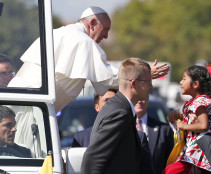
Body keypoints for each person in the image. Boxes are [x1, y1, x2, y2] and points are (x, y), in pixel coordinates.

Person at [7, 6, 170, 113]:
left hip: (19, 99)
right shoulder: (83, 40)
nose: (106, 36)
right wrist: (144, 74)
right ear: (92, 23)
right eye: (105, 29)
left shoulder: (58, 32)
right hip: (31, 108)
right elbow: (109, 77)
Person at [80, 57, 153, 174]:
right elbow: (92, 160)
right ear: (133, 83)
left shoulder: (120, 108)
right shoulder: (119, 113)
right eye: (148, 82)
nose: (151, 87)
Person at [164, 65, 211, 174]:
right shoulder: (193, 102)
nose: (180, 82)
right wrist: (179, 116)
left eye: (184, 79)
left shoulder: (200, 102)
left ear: (195, 84)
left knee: (169, 171)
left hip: (199, 153)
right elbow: (194, 119)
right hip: (191, 151)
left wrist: (184, 126)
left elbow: (203, 126)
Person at [135, 98, 174, 174]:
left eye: (143, 97)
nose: (139, 101)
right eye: (136, 97)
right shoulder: (121, 127)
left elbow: (170, 165)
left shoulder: (164, 130)